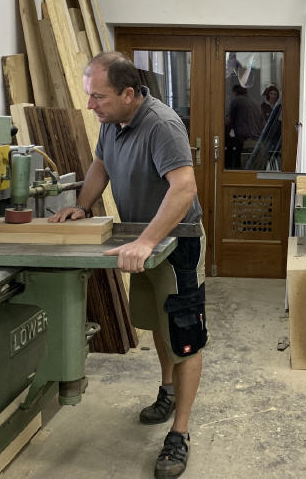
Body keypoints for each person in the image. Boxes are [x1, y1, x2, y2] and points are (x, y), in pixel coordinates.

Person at [49, 52, 205, 479]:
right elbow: (100, 165)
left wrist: (149, 240)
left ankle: (180, 433)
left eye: (98, 97)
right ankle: (168, 391)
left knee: (185, 337)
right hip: (141, 240)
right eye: (90, 96)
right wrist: (83, 206)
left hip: (178, 243)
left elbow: (184, 188)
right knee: (158, 323)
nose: (90, 105)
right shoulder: (112, 123)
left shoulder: (162, 125)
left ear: (129, 94)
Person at [224, 84, 265, 168]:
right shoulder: (255, 103)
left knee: (238, 168)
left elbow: (229, 122)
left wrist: (223, 135)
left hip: (244, 142)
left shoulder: (236, 101)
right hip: (257, 142)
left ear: (235, 92)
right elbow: (263, 124)